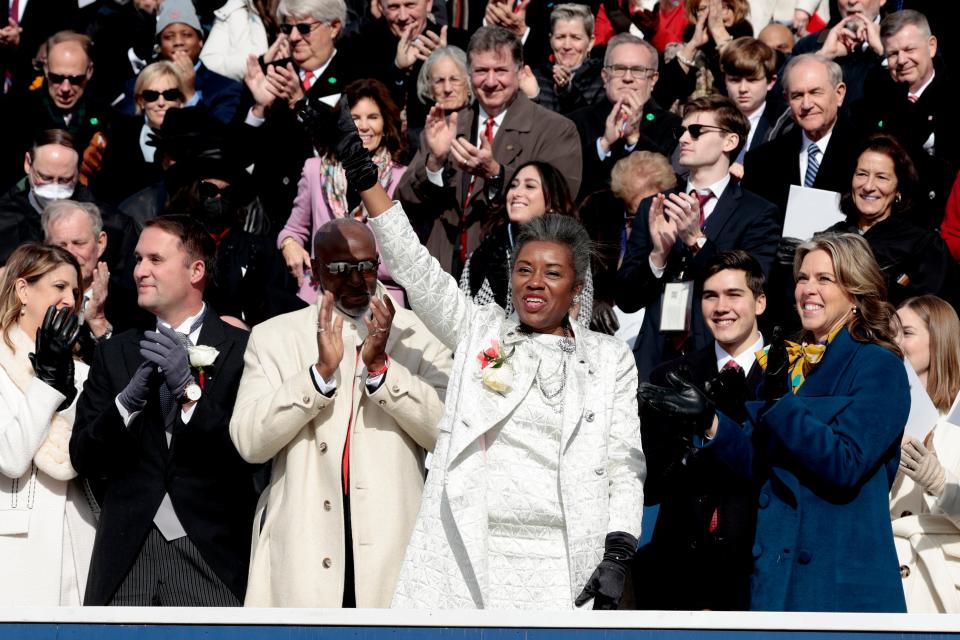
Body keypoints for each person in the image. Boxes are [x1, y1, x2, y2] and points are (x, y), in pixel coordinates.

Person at [332, 112, 645, 609]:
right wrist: (367, 181)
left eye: (552, 273)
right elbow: (417, 268)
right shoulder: (480, 329)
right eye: (524, 269)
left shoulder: (609, 360)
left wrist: (620, 550)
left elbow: (624, 462)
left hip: (568, 560)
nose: (534, 282)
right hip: (470, 550)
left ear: (578, 287)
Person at [640, 232, 910, 612]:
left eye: (824, 279)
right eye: (802, 278)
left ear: (855, 290)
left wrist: (781, 402)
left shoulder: (879, 366)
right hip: (775, 581)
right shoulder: (790, 363)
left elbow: (845, 463)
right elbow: (755, 462)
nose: (807, 290)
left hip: (835, 586)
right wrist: (709, 421)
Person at [230, 217, 451, 607]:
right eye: (339, 269)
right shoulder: (273, 337)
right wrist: (318, 377)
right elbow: (250, 442)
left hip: (393, 546)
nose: (355, 280)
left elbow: (448, 435)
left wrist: (384, 369)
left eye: (365, 267)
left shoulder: (419, 336)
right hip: (303, 545)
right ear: (315, 270)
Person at [70, 216, 260, 606]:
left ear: (196, 270)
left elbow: (248, 454)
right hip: (126, 555)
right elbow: (83, 455)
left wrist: (189, 393)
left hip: (212, 553)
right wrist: (126, 403)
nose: (140, 270)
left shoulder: (245, 350)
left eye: (156, 259)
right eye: (139, 259)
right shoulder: (116, 352)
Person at [634, 250, 766, 611]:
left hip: (753, 575)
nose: (721, 306)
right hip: (677, 575)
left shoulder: (788, 376)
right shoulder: (672, 376)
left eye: (734, 295)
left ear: (761, 302)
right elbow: (651, 484)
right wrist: (684, 454)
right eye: (710, 296)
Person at [615, 95, 780, 381]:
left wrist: (696, 241)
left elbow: (755, 286)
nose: (684, 139)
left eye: (697, 131)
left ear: (730, 142)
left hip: (716, 359)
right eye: (681, 131)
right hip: (654, 359)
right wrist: (657, 257)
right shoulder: (654, 206)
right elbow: (627, 298)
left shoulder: (758, 212)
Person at [396, 26, 582, 277]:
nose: (491, 81)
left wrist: (497, 174)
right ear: (470, 73)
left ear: (519, 71)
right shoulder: (447, 126)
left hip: (512, 275)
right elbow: (405, 202)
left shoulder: (556, 130)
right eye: (482, 71)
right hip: (443, 277)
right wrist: (434, 164)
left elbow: (559, 205)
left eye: (501, 70)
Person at [0, 243, 96, 606]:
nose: (69, 300)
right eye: (58, 287)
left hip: (78, 538)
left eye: (75, 291)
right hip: (17, 551)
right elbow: (10, 456)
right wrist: (47, 385)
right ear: (23, 290)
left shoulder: (84, 371)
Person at [278, 79, 408, 305]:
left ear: (386, 126)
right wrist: (289, 244)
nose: (363, 127)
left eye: (373, 117)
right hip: (320, 294)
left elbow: (404, 253)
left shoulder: (402, 177)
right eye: (354, 118)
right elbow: (293, 228)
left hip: (379, 294)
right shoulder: (314, 169)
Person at [823, 134, 958, 309]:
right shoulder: (831, 237)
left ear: (898, 190)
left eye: (881, 177)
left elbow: (930, 313)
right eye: (862, 174)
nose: (868, 186)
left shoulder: (923, 246)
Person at [459, 160, 593, 327]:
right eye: (513, 185)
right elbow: (463, 318)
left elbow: (581, 320)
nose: (516, 193)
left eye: (529, 186)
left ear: (550, 199)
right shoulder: (482, 254)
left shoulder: (572, 252)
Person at [890, 295, 960, 612]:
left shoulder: (956, 420)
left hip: (941, 587)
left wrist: (940, 482)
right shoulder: (879, 411)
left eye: (906, 332)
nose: (894, 341)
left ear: (939, 342)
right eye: (890, 332)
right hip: (884, 579)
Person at [860, 9, 958, 230]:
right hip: (885, 223)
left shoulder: (952, 98)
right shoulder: (876, 97)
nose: (902, 60)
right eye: (893, 54)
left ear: (931, 46)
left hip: (936, 223)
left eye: (909, 49)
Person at [0, 130, 137, 279]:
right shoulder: (4, 221)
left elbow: (128, 288)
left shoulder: (113, 225)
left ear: (78, 172)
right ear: (28, 163)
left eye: (65, 180)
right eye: (45, 177)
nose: (55, 187)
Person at [742, 53, 859, 220]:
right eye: (797, 95)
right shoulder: (761, 161)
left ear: (839, 94)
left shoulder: (865, 152)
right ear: (786, 99)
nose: (806, 105)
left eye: (816, 93)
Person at [569, 33, 679, 200]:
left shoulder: (673, 126)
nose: (628, 78)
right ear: (605, 77)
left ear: (653, 79)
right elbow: (568, 183)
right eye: (619, 69)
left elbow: (668, 183)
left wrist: (635, 139)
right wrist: (603, 144)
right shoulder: (575, 123)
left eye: (637, 70)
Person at [582, 150, 677, 341]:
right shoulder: (598, 213)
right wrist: (592, 302)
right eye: (633, 215)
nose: (640, 223)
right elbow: (575, 269)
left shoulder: (673, 222)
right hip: (603, 328)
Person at [0, 31, 112, 191]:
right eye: (57, 78)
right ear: (45, 69)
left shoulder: (105, 116)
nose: (65, 88)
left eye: (75, 79)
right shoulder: (14, 112)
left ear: (89, 71)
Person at [113, 0, 242, 126]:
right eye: (169, 37)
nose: (178, 42)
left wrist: (190, 95)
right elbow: (122, 125)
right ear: (160, 45)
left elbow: (220, 135)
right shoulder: (138, 84)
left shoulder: (224, 89)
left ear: (200, 41)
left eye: (187, 35)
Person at [92, 61, 185, 206]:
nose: (161, 102)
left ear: (180, 100)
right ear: (140, 101)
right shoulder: (119, 137)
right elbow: (106, 191)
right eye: (151, 95)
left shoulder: (194, 141)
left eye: (170, 94)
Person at [720, 37, 787, 172]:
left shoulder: (786, 122)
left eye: (752, 80)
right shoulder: (709, 116)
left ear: (771, 82)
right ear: (725, 80)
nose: (743, 88)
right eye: (734, 80)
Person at [530, 4, 604, 116]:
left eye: (576, 38)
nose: (567, 46)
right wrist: (530, 98)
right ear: (551, 40)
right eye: (560, 37)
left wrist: (567, 91)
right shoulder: (534, 78)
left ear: (590, 43)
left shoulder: (602, 81)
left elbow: (592, 128)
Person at [199, 0, 270, 82]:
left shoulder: (286, 8)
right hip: (252, 89)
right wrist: (260, 61)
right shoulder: (234, 10)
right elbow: (208, 64)